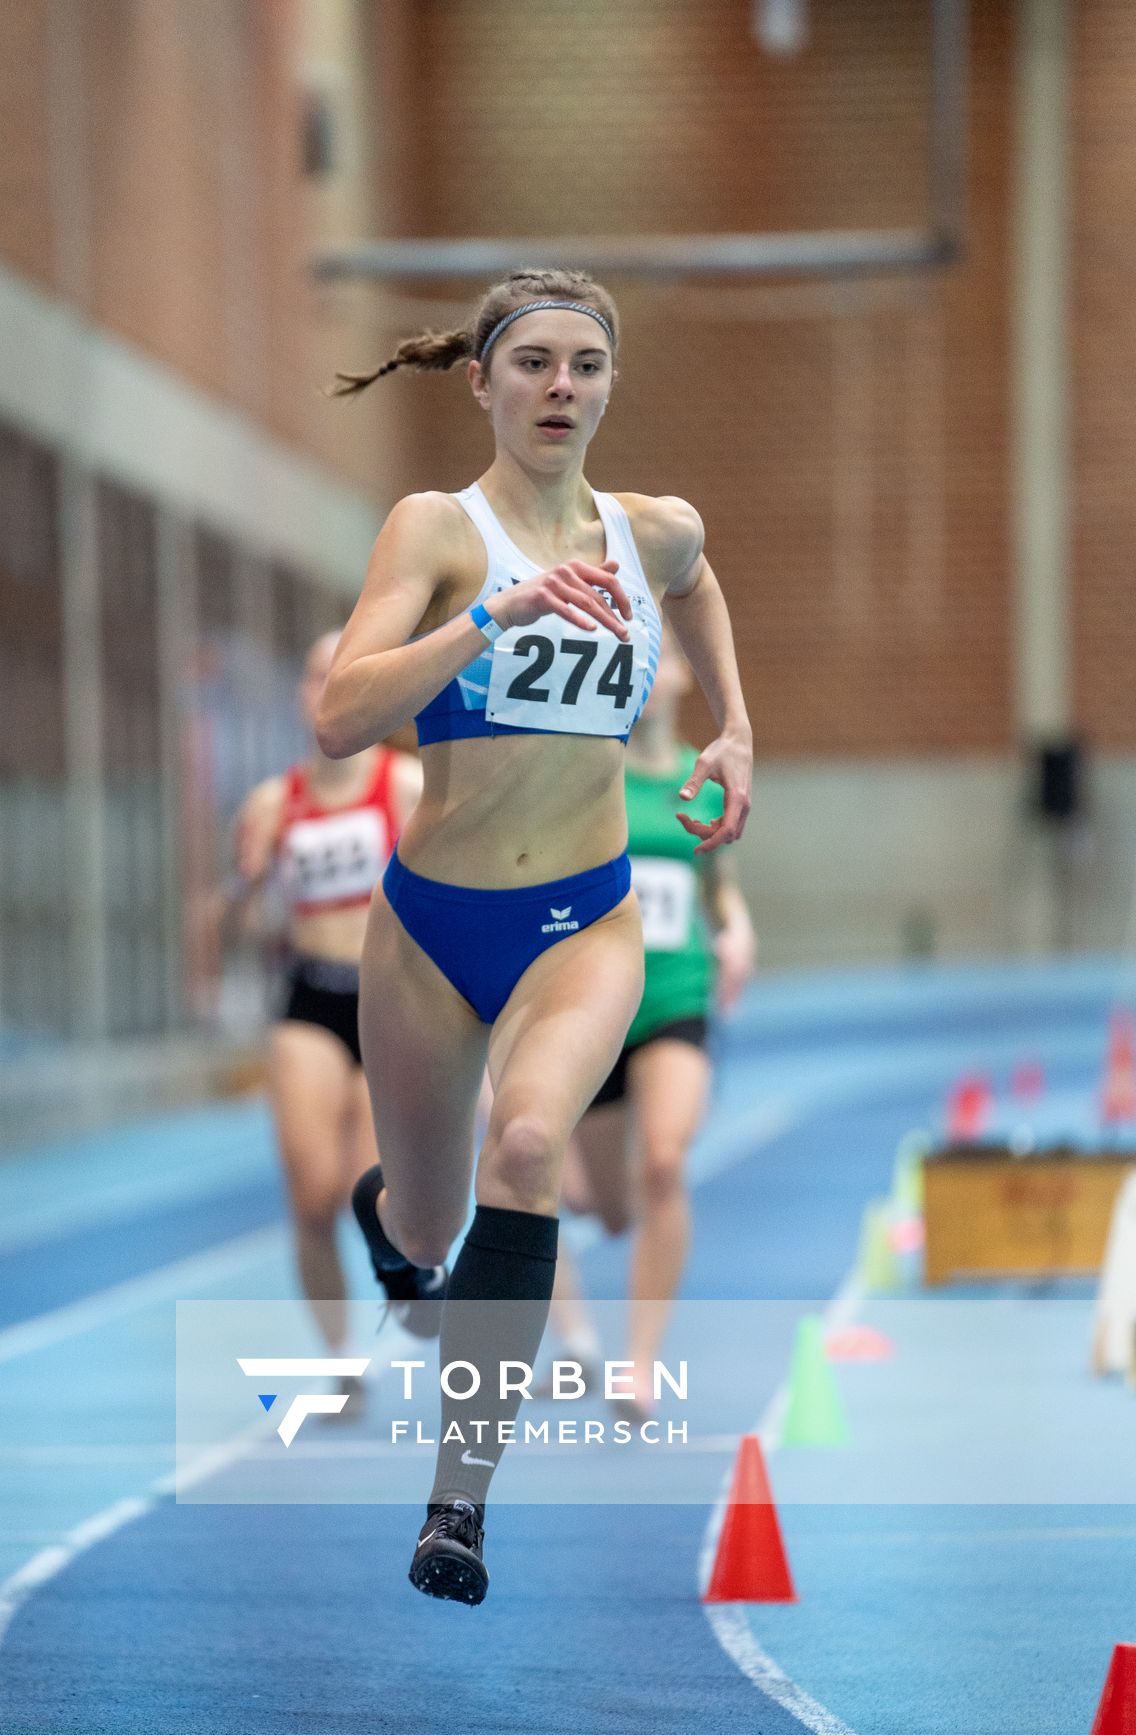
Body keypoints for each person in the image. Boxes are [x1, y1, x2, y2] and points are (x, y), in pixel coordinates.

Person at [319, 268, 752, 1606]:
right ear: (484, 382)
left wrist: (736, 726)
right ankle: (387, 1211)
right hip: (431, 927)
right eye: (534, 366)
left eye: (585, 366)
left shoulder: (652, 530)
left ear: (610, 382)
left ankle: (460, 1506)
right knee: (433, 1215)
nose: (561, 388)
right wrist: (490, 616)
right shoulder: (438, 530)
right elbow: (340, 715)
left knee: (527, 1145)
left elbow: (701, 583)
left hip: (585, 917)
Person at [547, 636, 757, 1417]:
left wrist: (737, 929)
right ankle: (583, 1327)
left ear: (678, 678)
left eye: (659, 659)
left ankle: (639, 1364)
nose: (646, 674)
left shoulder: (704, 779)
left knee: (664, 1163)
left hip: (676, 995)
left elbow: (720, 887)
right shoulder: (585, 781)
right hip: (597, 1000)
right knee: (606, 1205)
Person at [231, 632, 425, 1409]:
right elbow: (237, 927)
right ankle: (342, 1357)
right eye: (315, 676)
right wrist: (244, 892)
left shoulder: (407, 785)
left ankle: (403, 1269)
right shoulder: (273, 803)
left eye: (343, 676)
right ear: (300, 693)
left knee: (367, 1187)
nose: (327, 689)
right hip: (309, 995)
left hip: (388, 996)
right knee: (308, 1194)